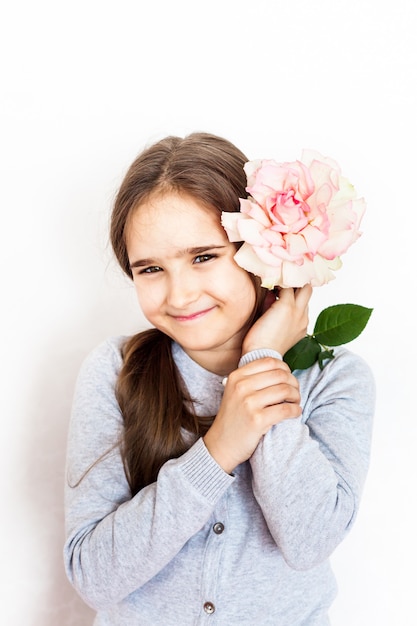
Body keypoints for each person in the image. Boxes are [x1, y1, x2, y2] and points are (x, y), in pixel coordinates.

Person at [63, 132, 375, 625]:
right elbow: (93, 577)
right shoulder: (115, 371)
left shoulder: (335, 380)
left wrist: (262, 360)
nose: (180, 295)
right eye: (150, 269)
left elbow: (309, 540)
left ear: (261, 251)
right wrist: (219, 450)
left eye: (203, 256)